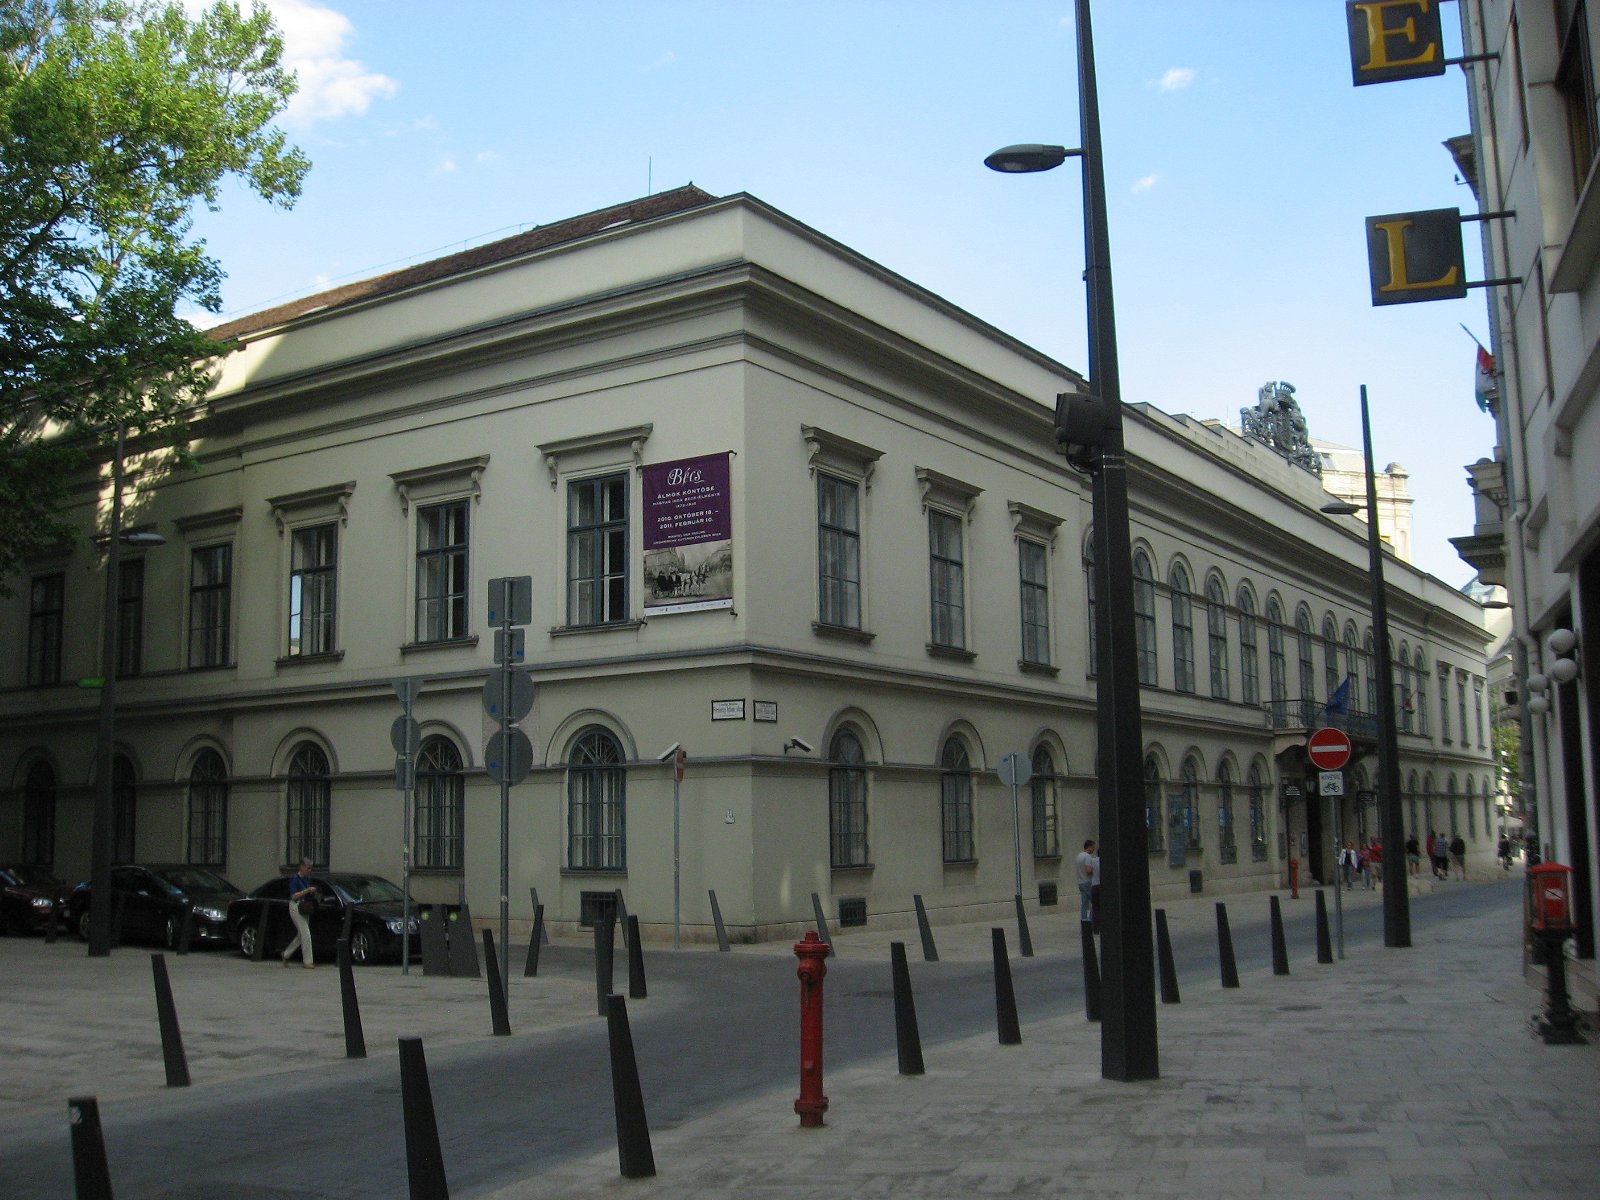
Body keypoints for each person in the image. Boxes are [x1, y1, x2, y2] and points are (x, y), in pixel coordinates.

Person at [281, 857, 317, 968]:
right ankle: (307, 961)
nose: (309, 870)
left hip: (304, 906)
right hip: (296, 906)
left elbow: (307, 894)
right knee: (305, 933)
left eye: (311, 868)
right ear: (301, 867)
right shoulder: (294, 879)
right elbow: (294, 896)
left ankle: (286, 954)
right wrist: (307, 890)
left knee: (301, 935)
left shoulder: (307, 879)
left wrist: (313, 892)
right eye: (308, 868)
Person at [1074, 839, 1097, 925]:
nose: (1094, 849)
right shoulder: (1087, 856)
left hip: (1080, 882)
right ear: (1089, 847)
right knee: (1095, 902)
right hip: (1087, 882)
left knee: (1084, 904)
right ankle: (1092, 921)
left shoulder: (1079, 856)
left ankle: (1084, 922)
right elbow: (1088, 869)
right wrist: (1094, 870)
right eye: (1093, 847)